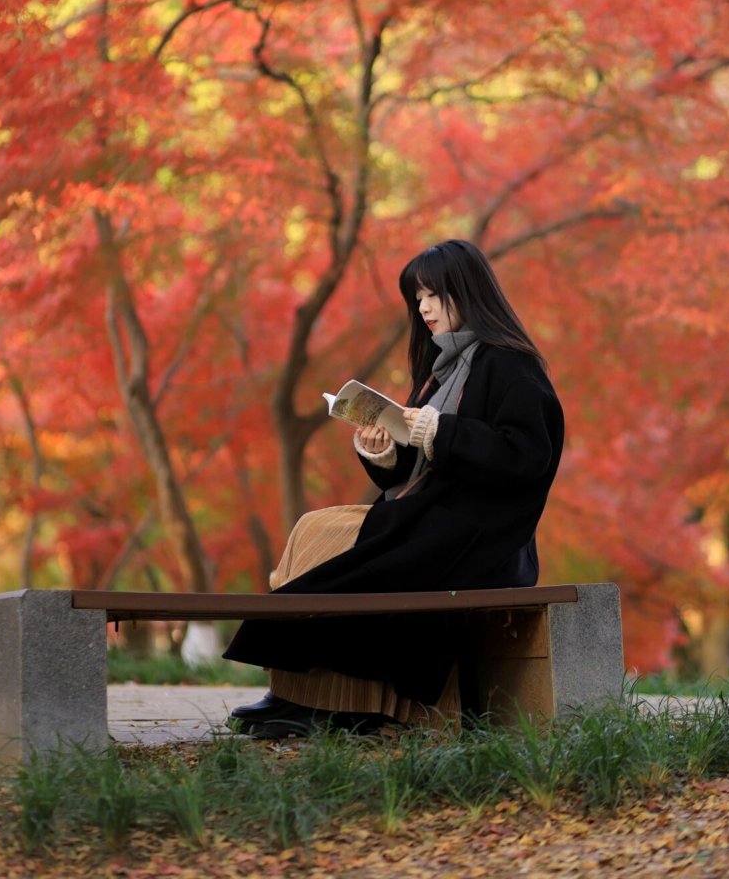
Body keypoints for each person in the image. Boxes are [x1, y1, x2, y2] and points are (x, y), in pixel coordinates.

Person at [225, 238, 564, 738]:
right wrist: (384, 451)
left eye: (433, 294)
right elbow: (419, 468)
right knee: (315, 527)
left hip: (477, 540)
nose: (423, 307)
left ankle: (312, 699)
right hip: (432, 520)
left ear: (468, 292)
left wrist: (439, 433)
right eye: (417, 297)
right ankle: (305, 693)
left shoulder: (509, 363)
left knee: (330, 540)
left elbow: (528, 456)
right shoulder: (440, 370)